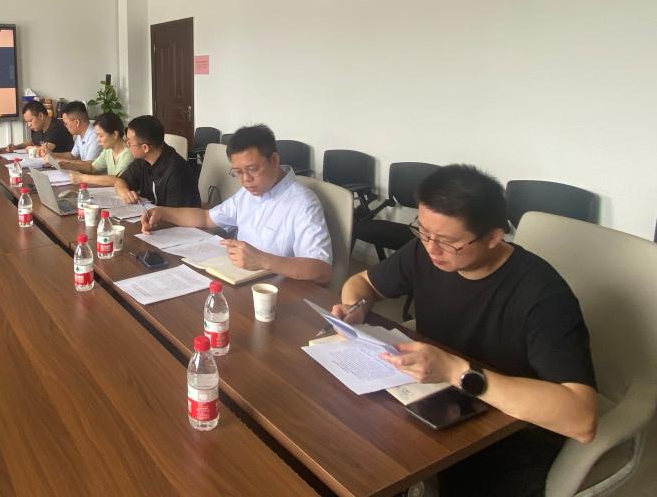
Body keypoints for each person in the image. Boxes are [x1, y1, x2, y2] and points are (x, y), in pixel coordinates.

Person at [331, 164, 596, 496]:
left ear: (493, 237)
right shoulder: (425, 251)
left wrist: (456, 371)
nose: (431, 248)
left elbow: (581, 419)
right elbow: (363, 282)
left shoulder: (543, 296)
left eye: (447, 241)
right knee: (344, 446)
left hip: (507, 432)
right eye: (423, 231)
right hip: (434, 402)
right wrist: (355, 307)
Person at [140, 124, 332, 282]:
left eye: (253, 169)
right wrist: (162, 212)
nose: (246, 180)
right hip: (238, 281)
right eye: (238, 172)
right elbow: (206, 218)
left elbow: (322, 270)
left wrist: (263, 260)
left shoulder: (303, 203)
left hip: (277, 294)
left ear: (274, 160)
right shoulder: (247, 194)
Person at [114, 115, 200, 208]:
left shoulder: (177, 171)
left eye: (129, 142)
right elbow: (120, 180)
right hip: (150, 213)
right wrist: (125, 192)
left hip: (172, 216)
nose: (127, 145)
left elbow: (178, 214)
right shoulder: (143, 160)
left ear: (145, 148)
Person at [61, 112, 133, 187]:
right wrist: (70, 166)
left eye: (101, 136)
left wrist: (82, 178)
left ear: (115, 134)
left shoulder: (128, 154)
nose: (98, 140)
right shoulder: (108, 150)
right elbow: (92, 167)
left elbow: (117, 180)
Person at [8, 100, 73, 155]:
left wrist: (32, 148)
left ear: (41, 116)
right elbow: (33, 142)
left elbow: (44, 150)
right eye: (27, 122)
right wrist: (16, 147)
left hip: (64, 164)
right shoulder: (39, 127)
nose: (29, 125)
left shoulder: (57, 128)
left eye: (30, 121)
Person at [53, 100, 102, 167]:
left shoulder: (95, 136)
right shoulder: (80, 134)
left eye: (66, 123)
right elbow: (72, 156)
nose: (65, 126)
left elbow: (89, 165)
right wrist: (52, 155)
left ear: (77, 122)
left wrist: (57, 160)